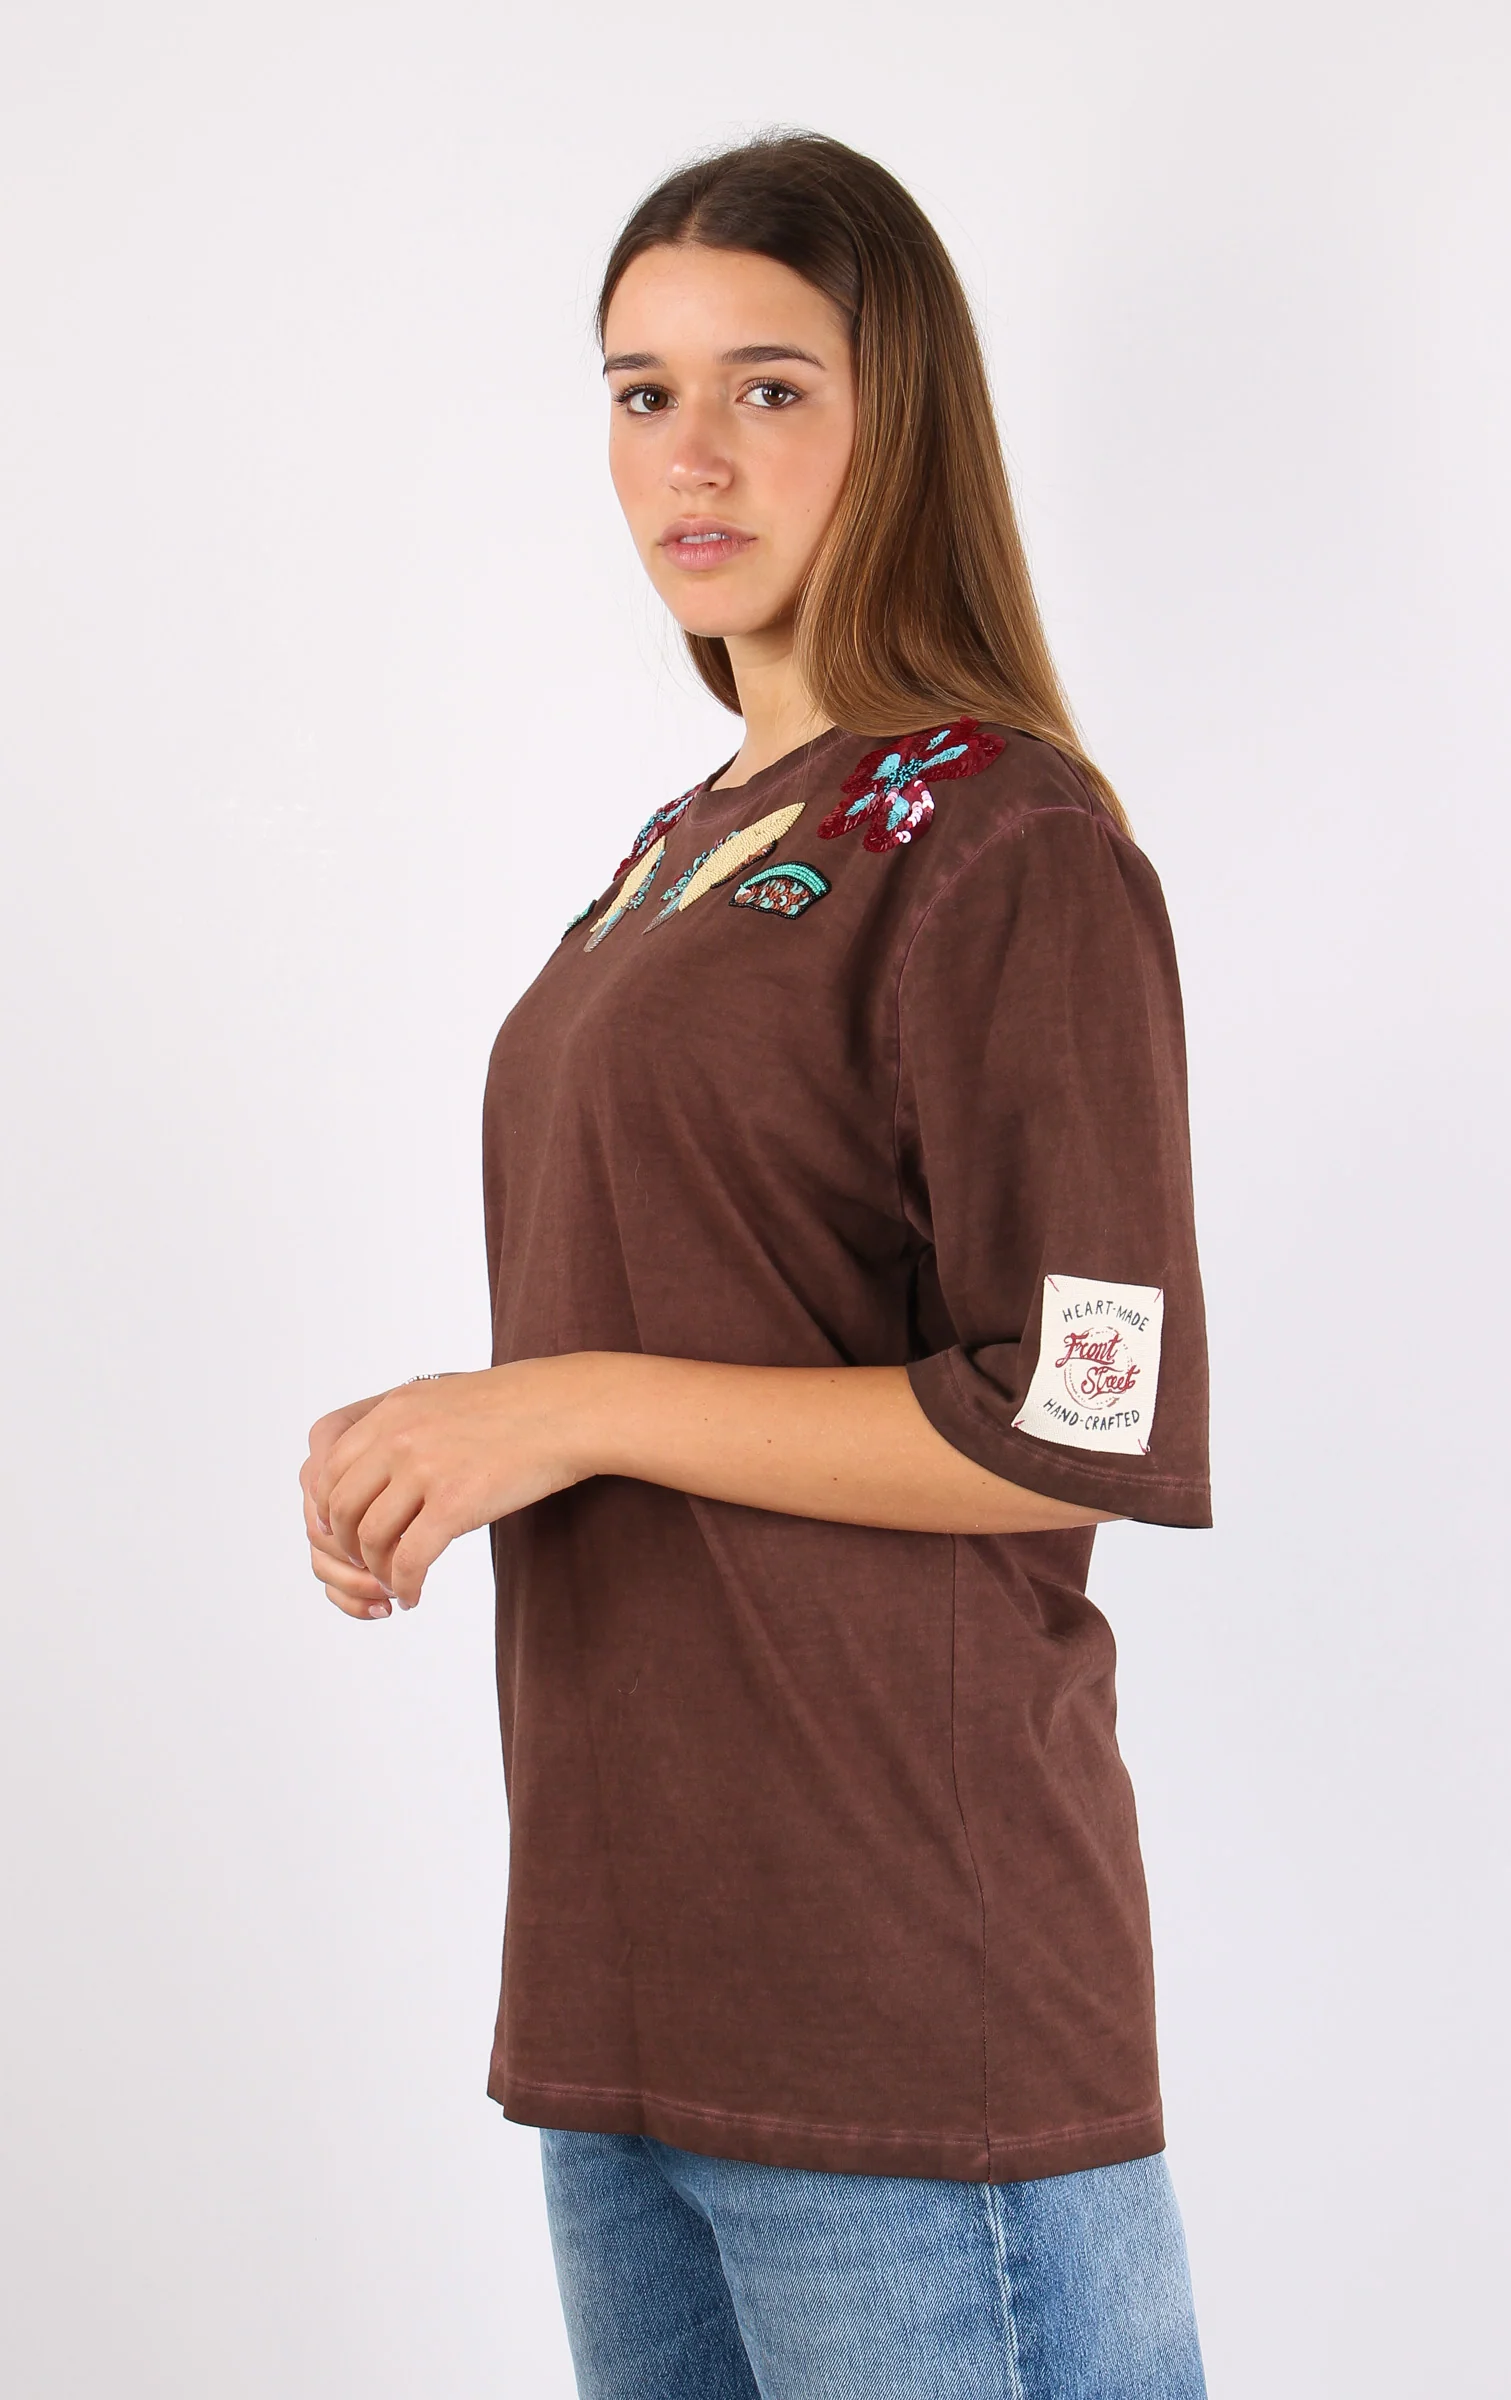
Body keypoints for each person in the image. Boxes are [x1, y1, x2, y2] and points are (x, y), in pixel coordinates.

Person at [301, 131, 1211, 2400]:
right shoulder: (684, 847)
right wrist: (440, 1429)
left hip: (902, 2007)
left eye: (767, 388)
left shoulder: (1003, 839)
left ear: (900, 419)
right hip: (627, 1983)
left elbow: (1076, 1421)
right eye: (641, 393)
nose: (688, 454)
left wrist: (560, 1407)